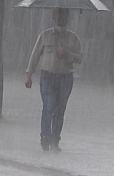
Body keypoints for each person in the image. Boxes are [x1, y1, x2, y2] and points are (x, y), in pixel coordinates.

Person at [25, 8, 83, 152]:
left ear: (67, 17)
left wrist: (66, 53)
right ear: (53, 16)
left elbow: (79, 57)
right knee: (48, 106)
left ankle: (55, 140)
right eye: (57, 15)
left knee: (59, 110)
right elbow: (35, 55)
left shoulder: (73, 38)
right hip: (47, 76)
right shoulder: (45, 35)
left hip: (65, 77)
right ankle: (45, 136)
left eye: (63, 15)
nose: (60, 18)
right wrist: (29, 74)